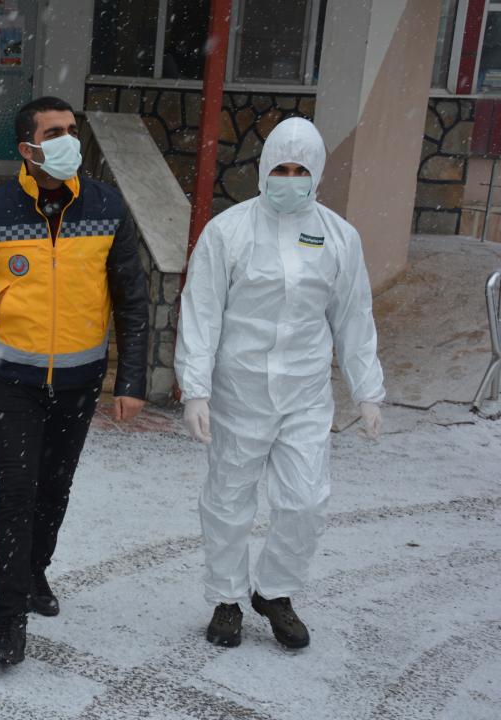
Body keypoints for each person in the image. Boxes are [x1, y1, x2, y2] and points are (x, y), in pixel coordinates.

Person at [0, 96, 151, 665]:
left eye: (71, 130)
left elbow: (132, 301)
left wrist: (131, 380)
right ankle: (8, 622)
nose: (68, 140)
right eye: (54, 133)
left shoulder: (107, 206)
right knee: (16, 493)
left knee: (54, 490)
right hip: (13, 383)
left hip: (79, 383)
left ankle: (35, 571)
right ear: (27, 148)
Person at [175, 117, 385, 650]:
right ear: (265, 167)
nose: (289, 179)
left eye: (300, 170)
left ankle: (275, 592)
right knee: (228, 499)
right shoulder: (229, 231)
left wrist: (367, 389)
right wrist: (196, 388)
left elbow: (353, 317)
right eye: (281, 169)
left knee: (305, 500)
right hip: (239, 391)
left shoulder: (339, 237)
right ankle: (226, 598)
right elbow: (202, 313)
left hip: (305, 395)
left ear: (316, 173)